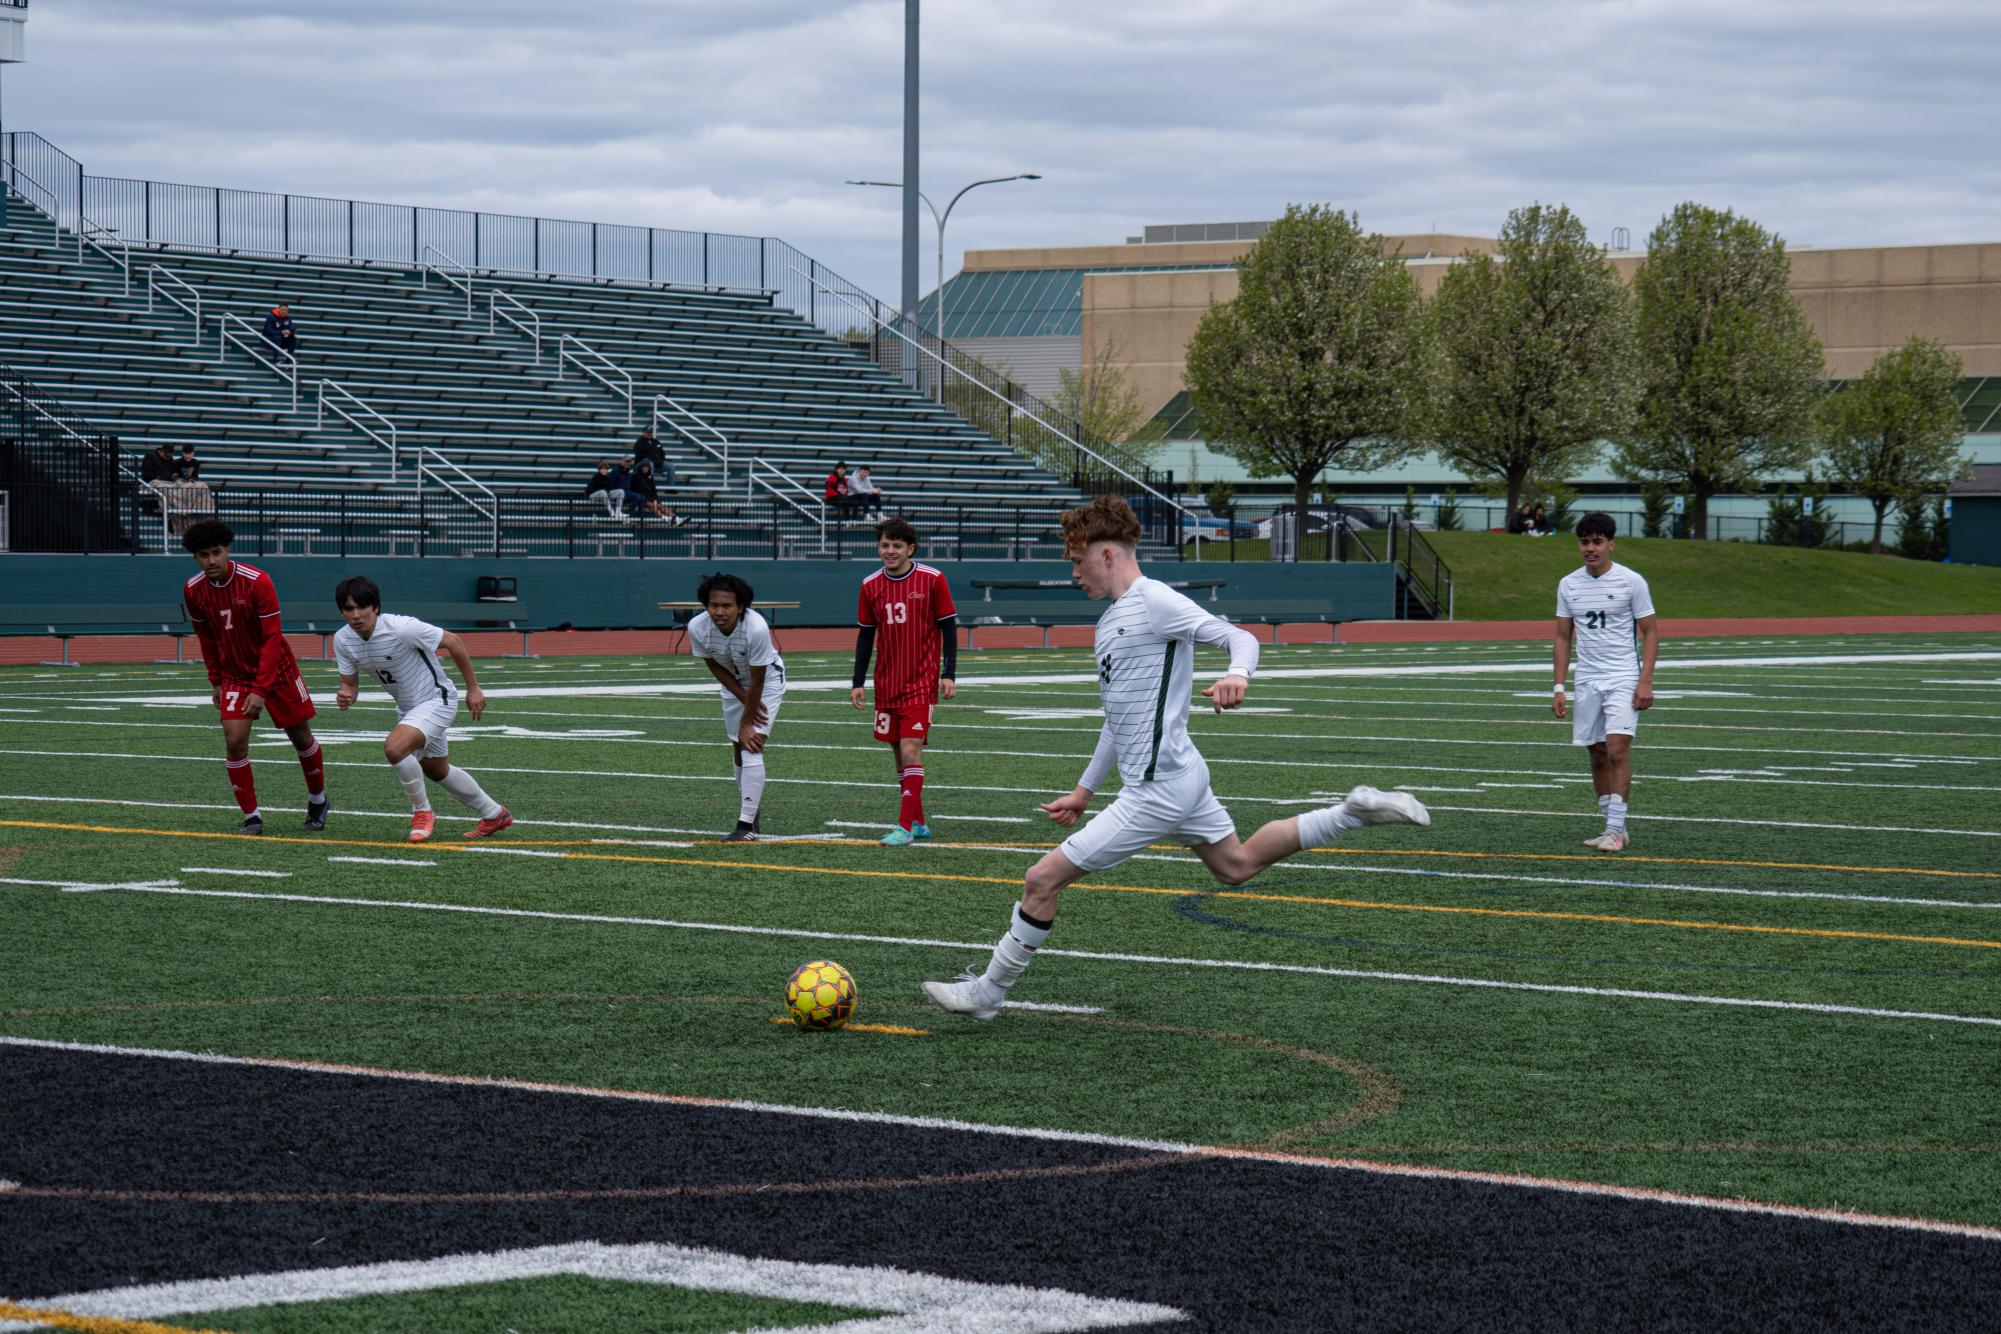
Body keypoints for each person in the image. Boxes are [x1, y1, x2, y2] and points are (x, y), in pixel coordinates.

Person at [922, 496, 1431, 1022]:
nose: (1074, 573)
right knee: (1236, 866)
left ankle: (988, 992)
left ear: (1110, 555)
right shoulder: (1111, 621)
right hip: (1179, 776)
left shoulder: (1154, 600)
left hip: (1157, 789)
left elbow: (1239, 636)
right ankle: (1351, 812)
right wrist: (1084, 791)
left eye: (1079, 561)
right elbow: (1118, 720)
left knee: (1041, 879)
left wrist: (1238, 674)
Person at [331, 575, 512, 843]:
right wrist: (347, 694)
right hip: (408, 709)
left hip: (437, 700)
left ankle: (422, 813)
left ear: (375, 607)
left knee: (395, 748)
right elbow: (350, 683)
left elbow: (453, 641)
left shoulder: (402, 628)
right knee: (436, 769)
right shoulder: (343, 640)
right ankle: (494, 813)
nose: (356, 615)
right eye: (348, 609)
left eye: (362, 607)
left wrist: (473, 687)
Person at [180, 519, 329, 834]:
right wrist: (217, 682)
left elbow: (273, 639)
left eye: (216, 553)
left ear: (228, 550)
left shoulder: (257, 581)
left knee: (299, 736)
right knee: (234, 742)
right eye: (203, 555)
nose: (211, 561)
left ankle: (318, 799)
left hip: (278, 671)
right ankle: (252, 817)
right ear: (195, 558)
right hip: (235, 675)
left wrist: (261, 689)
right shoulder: (193, 590)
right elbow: (206, 640)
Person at [1553, 512, 1659, 852]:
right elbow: (1562, 637)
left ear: (1610, 544)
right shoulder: (1568, 584)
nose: (1590, 548)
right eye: (1585, 542)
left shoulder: (1631, 581)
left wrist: (1645, 680)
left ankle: (1614, 830)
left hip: (1623, 676)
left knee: (1616, 749)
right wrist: (1558, 687)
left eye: (1597, 542)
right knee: (1597, 753)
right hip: (1587, 678)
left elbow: (1651, 632)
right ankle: (1613, 827)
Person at [850, 515, 957, 845]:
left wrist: (948, 673)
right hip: (886, 684)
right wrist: (858, 681)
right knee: (898, 755)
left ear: (911, 548)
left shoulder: (933, 579)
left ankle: (904, 828)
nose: (890, 551)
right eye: (884, 545)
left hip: (920, 682)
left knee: (912, 751)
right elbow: (866, 636)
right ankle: (919, 822)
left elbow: (949, 627)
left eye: (897, 545)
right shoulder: (870, 585)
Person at [688, 571, 785, 842]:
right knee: (737, 745)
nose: (719, 611)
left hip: (766, 682)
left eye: (727, 605)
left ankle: (745, 826)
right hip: (735, 685)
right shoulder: (697, 626)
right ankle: (752, 811)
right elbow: (715, 667)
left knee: (751, 743)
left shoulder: (756, 628)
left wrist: (747, 720)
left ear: (740, 606)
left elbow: (758, 680)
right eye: (714, 605)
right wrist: (742, 701)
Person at [625, 458, 686, 525]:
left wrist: (655, 499)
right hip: (642, 499)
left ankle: (676, 518)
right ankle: (666, 519)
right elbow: (639, 490)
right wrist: (651, 500)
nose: (645, 469)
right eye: (644, 467)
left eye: (647, 467)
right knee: (652, 505)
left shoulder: (650, 478)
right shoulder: (635, 476)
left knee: (660, 505)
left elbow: (654, 491)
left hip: (650, 498)